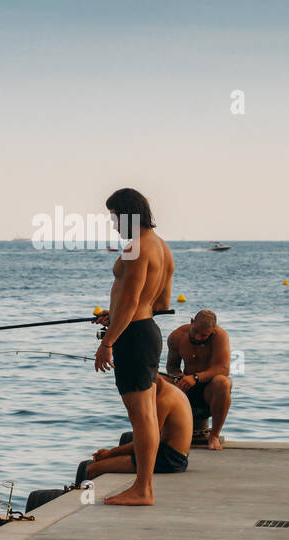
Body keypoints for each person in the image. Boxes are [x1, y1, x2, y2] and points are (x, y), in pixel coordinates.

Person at [92, 188, 174, 506]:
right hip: (147, 332)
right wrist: (115, 316)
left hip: (134, 338)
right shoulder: (162, 248)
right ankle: (144, 487)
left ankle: (143, 489)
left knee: (141, 417)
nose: (113, 223)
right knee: (146, 415)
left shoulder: (135, 248)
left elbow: (130, 299)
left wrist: (108, 342)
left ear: (127, 215)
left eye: (114, 216)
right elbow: (161, 302)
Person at [78, 376, 192, 483]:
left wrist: (110, 453)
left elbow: (148, 442)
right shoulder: (171, 390)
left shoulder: (163, 400)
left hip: (170, 460)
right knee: (108, 460)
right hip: (173, 454)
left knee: (92, 469)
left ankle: (89, 501)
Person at [165, 309, 232, 450]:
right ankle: (161, 432)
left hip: (209, 389)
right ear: (191, 322)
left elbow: (224, 369)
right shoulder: (176, 337)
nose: (198, 337)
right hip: (185, 386)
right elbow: (172, 367)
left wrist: (196, 378)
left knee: (223, 382)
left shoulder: (220, 337)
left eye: (204, 335)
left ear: (212, 332)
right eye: (195, 331)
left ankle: (213, 436)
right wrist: (179, 377)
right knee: (155, 380)